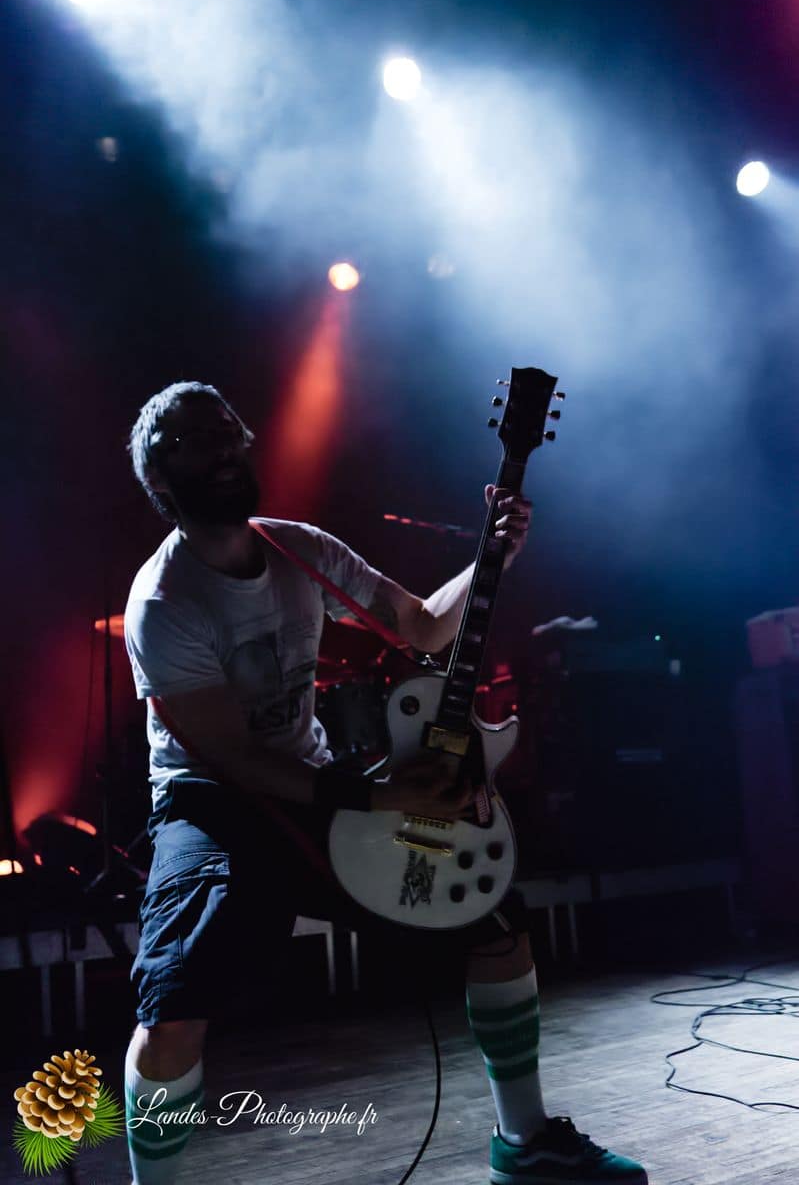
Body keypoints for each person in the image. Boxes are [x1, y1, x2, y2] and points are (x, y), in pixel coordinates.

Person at [122, 380, 648, 1185]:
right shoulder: (164, 601)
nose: (225, 449)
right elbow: (232, 759)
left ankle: (524, 1142)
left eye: (230, 431)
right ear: (159, 478)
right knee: (173, 1004)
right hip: (211, 801)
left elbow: (424, 627)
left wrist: (490, 558)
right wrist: (380, 797)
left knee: (493, 920)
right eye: (199, 440)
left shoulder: (300, 549)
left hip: (316, 781)